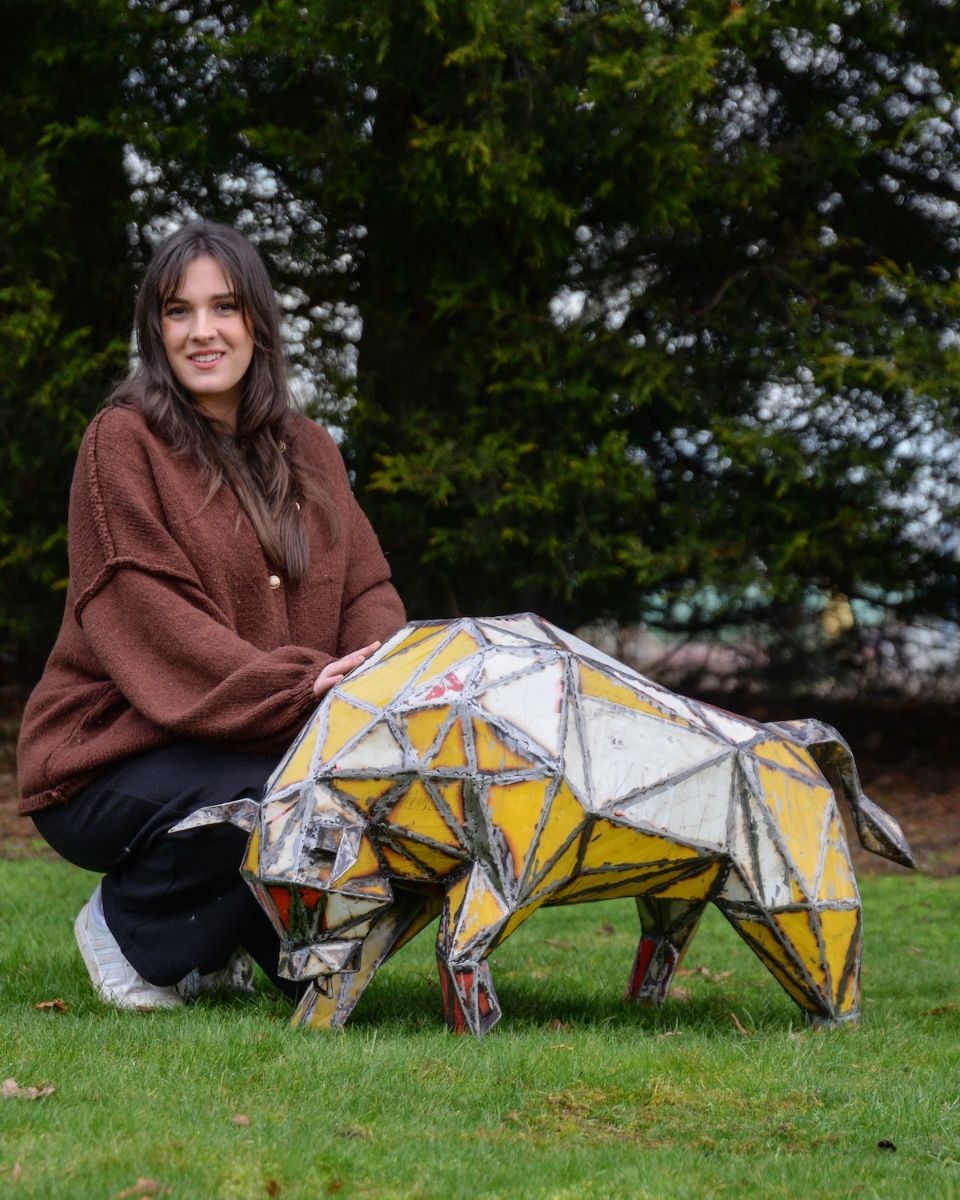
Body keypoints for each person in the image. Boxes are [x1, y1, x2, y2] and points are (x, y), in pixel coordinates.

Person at [16, 221, 406, 1010]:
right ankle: (128, 934)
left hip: (257, 740)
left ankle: (219, 943)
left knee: (355, 801)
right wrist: (303, 689)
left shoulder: (312, 449)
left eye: (223, 308)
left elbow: (369, 588)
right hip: (107, 756)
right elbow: (151, 615)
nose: (202, 332)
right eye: (177, 311)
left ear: (257, 321)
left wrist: (372, 675)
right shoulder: (121, 443)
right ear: (154, 331)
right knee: (275, 795)